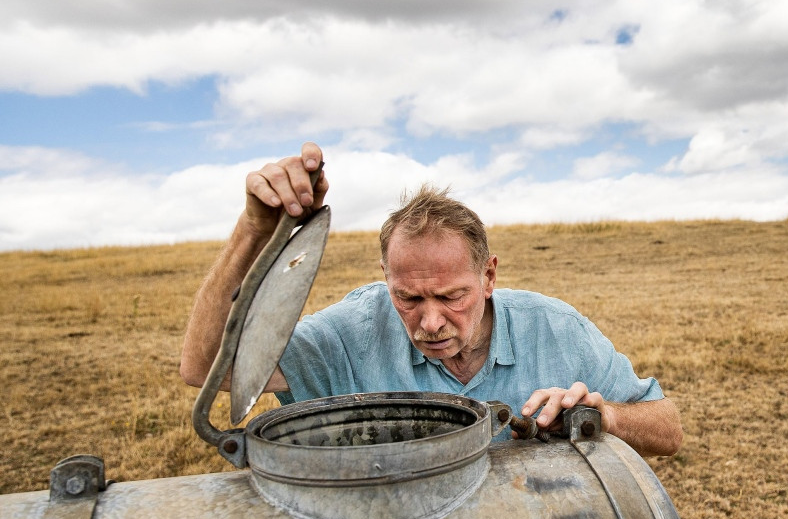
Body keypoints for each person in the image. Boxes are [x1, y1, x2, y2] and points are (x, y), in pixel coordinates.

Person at [180, 142, 682, 457]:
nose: (430, 322)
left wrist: (603, 416)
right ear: (385, 277)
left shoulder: (555, 328)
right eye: (408, 298)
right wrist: (253, 229)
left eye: (452, 296)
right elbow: (205, 370)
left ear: (488, 277)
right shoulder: (349, 334)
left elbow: (668, 428)